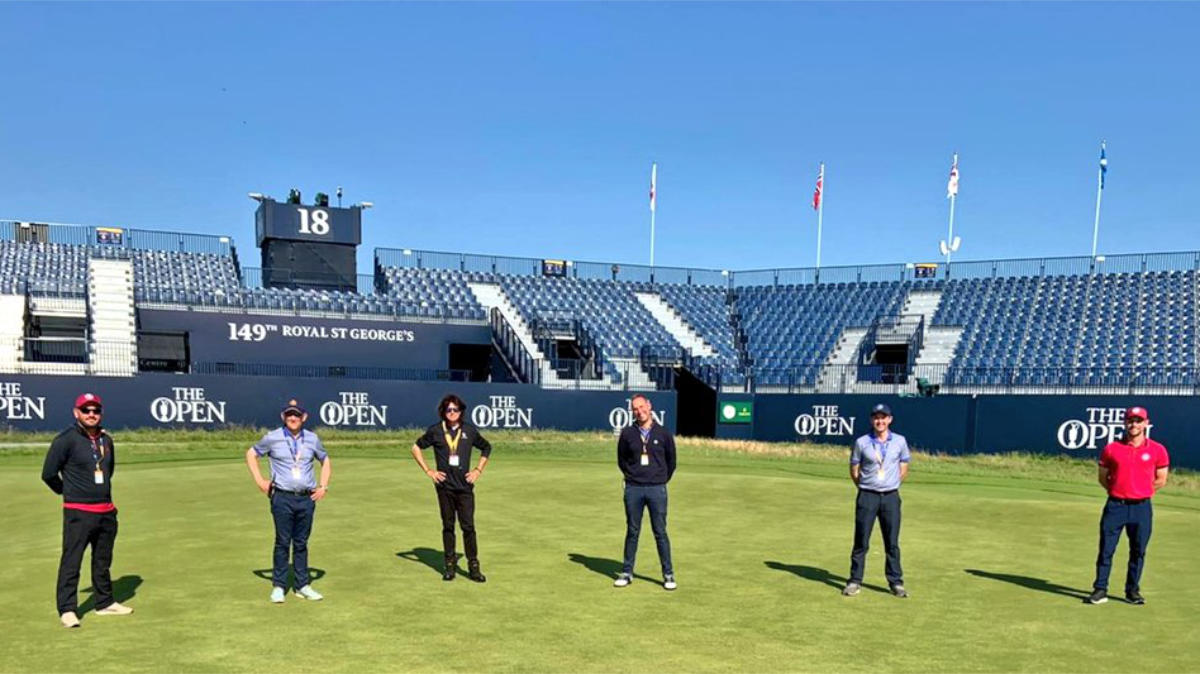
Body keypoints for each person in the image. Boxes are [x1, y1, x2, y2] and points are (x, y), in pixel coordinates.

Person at [41, 393, 134, 628]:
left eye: (95, 411)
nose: (91, 414)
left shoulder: (106, 440)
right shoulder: (65, 440)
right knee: (72, 561)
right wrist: (69, 493)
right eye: (86, 410)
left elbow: (108, 471)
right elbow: (49, 474)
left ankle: (104, 602)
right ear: (77, 413)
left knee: (102, 560)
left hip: (106, 511)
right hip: (78, 512)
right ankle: (67, 609)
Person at [245, 399, 332, 603]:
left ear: (304, 417)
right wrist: (259, 480)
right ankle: (279, 585)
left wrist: (323, 485)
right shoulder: (272, 437)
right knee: (283, 542)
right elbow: (251, 454)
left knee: (301, 543)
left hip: (306, 498)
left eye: (297, 415)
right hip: (281, 497)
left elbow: (325, 460)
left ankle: (302, 585)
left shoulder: (312, 439)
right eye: (289, 415)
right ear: (284, 417)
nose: (293, 418)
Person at [1086, 406, 1169, 605]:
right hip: (1116, 506)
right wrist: (1118, 491)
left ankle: (1132, 591)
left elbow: (1161, 479)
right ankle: (1100, 589)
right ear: (1125, 423)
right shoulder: (1112, 448)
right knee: (1106, 549)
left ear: (1146, 423)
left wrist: (1141, 491)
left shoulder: (1157, 450)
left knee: (1138, 550)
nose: (1134, 424)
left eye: (1138, 421)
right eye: (1131, 420)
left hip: (1141, 507)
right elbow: (1103, 477)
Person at [411, 394, 493, 582]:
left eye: (455, 409)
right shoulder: (435, 431)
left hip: (465, 488)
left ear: (461, 411)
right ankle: (449, 566)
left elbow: (487, 447)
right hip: (444, 487)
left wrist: (478, 470)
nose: (452, 413)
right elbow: (415, 448)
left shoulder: (469, 431)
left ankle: (473, 566)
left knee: (468, 527)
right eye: (449, 410)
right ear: (443, 412)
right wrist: (429, 471)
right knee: (448, 526)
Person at [843, 403, 911, 598]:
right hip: (867, 496)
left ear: (890, 419)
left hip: (890, 496)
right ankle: (855, 581)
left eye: (883, 418)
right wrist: (865, 486)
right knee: (861, 541)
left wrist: (892, 483)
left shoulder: (899, 441)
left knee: (892, 542)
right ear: (872, 420)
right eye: (876, 418)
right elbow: (854, 469)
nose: (879, 421)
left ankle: (896, 582)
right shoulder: (862, 442)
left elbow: (903, 466)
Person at [613, 394, 677, 590]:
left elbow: (671, 462)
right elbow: (622, 460)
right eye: (635, 408)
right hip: (634, 488)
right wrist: (632, 477)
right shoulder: (627, 434)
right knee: (632, 531)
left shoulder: (663, 433)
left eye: (642, 407)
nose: (639, 411)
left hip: (657, 488)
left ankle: (668, 575)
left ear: (649, 406)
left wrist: (659, 480)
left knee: (660, 532)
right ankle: (626, 572)